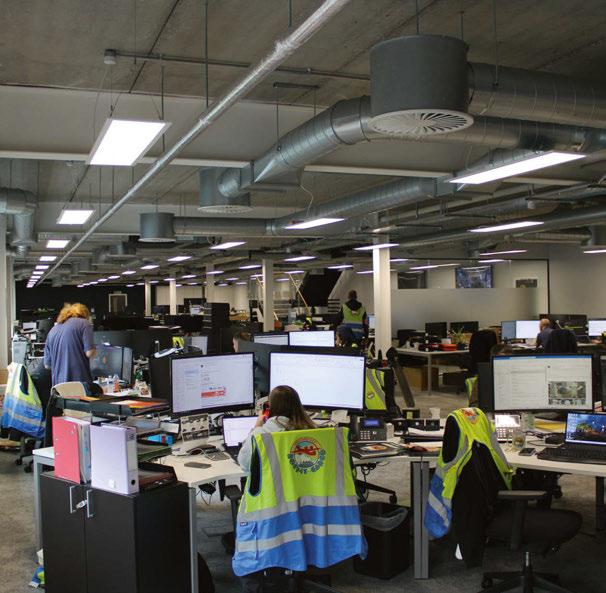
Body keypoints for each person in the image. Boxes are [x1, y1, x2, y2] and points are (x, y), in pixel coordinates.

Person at [237, 385, 315, 473]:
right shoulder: (314, 432)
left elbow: (244, 464)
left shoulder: (260, 435)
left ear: (270, 407)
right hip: (303, 482)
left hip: (274, 482)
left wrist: (257, 426)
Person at [44, 303, 96, 387]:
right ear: (84, 314)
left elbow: (47, 365)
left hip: (58, 387)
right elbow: (89, 353)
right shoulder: (84, 323)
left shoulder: (52, 330)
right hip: (79, 384)